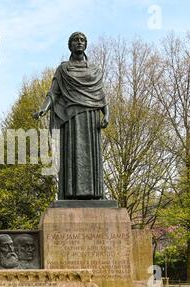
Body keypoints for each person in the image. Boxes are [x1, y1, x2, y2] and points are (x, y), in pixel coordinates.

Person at [34, 32, 109, 200]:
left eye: (82, 40)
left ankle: (95, 195)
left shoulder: (94, 70)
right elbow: (53, 93)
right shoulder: (63, 69)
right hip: (71, 118)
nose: (79, 43)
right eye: (75, 40)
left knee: (90, 156)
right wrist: (43, 109)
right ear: (70, 45)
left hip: (91, 119)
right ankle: (70, 194)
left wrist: (107, 115)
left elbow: (101, 95)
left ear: (86, 44)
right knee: (72, 155)